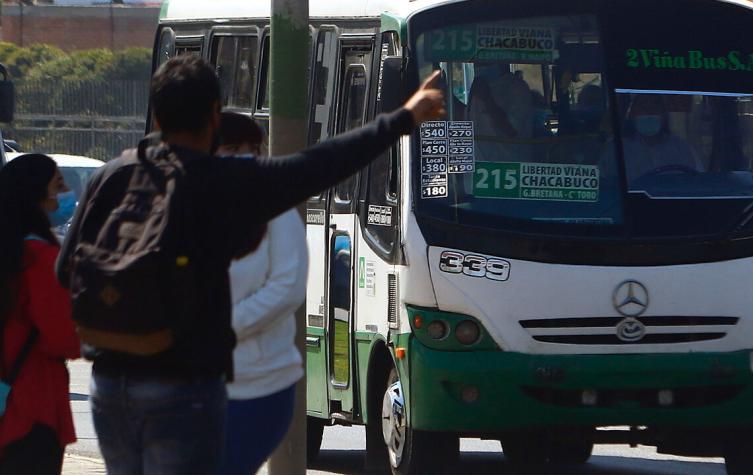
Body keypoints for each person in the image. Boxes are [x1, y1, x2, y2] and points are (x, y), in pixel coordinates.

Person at [55, 55, 444, 474]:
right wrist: (404, 118)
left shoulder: (113, 175)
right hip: (185, 386)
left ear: (156, 113)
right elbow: (320, 164)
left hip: (109, 383)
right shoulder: (222, 181)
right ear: (213, 116)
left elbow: (66, 270)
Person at [215, 112, 306, 475]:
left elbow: (287, 287)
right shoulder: (183, 203)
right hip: (192, 384)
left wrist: (220, 328)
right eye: (233, 148)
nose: (247, 157)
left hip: (258, 385)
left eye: (255, 148)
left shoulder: (277, 209)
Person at [0, 154, 80, 475]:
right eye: (58, 184)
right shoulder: (41, 258)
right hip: (30, 406)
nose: (64, 193)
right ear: (36, 193)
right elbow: (67, 340)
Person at [621, 94, 701, 183]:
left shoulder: (683, 149)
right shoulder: (616, 150)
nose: (649, 112)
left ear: (664, 115)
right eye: (643, 107)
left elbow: (700, 182)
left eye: (654, 107)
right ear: (632, 114)